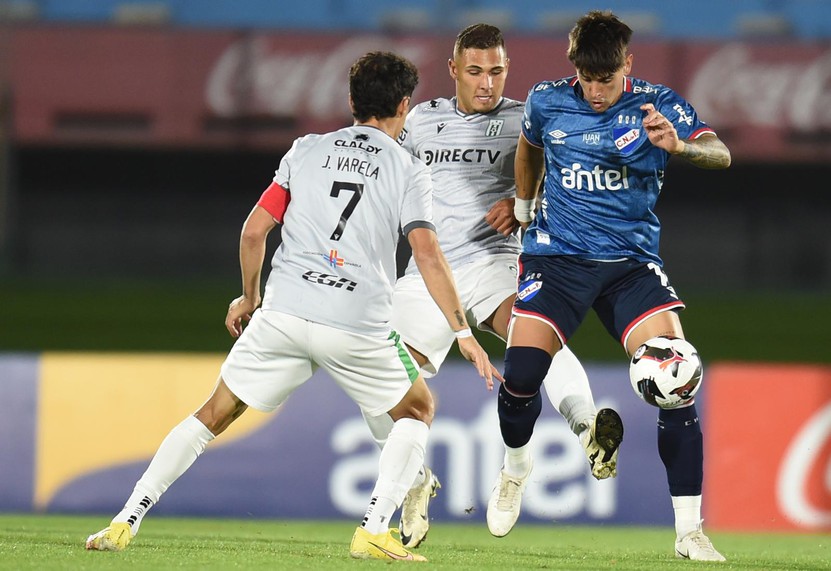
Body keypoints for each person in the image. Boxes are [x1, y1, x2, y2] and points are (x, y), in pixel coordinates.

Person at [85, 51, 500, 563]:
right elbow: (426, 253)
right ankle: (373, 529)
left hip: (283, 312)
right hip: (355, 322)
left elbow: (255, 230)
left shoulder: (306, 150)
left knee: (212, 413)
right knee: (416, 408)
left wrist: (250, 297)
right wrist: (461, 331)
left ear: (351, 100)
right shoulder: (409, 168)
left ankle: (126, 519)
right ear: (404, 105)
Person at [361, 23, 624, 547]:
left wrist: (525, 202)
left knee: (539, 337)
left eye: (497, 71)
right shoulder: (420, 122)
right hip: (428, 275)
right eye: (476, 71)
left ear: (508, 70)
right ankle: (416, 481)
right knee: (375, 384)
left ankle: (588, 428)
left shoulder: (528, 118)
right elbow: (378, 175)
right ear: (454, 70)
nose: (487, 83)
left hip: (495, 264)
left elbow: (574, 182)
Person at [497, 10, 732, 562]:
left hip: (629, 265)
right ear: (572, 65)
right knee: (522, 375)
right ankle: (515, 469)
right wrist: (526, 206)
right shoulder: (546, 100)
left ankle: (689, 530)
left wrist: (679, 148)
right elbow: (528, 148)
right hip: (556, 261)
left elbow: (719, 154)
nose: (597, 91)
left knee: (677, 378)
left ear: (628, 62)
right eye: (587, 78)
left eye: (607, 79)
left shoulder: (660, 105)